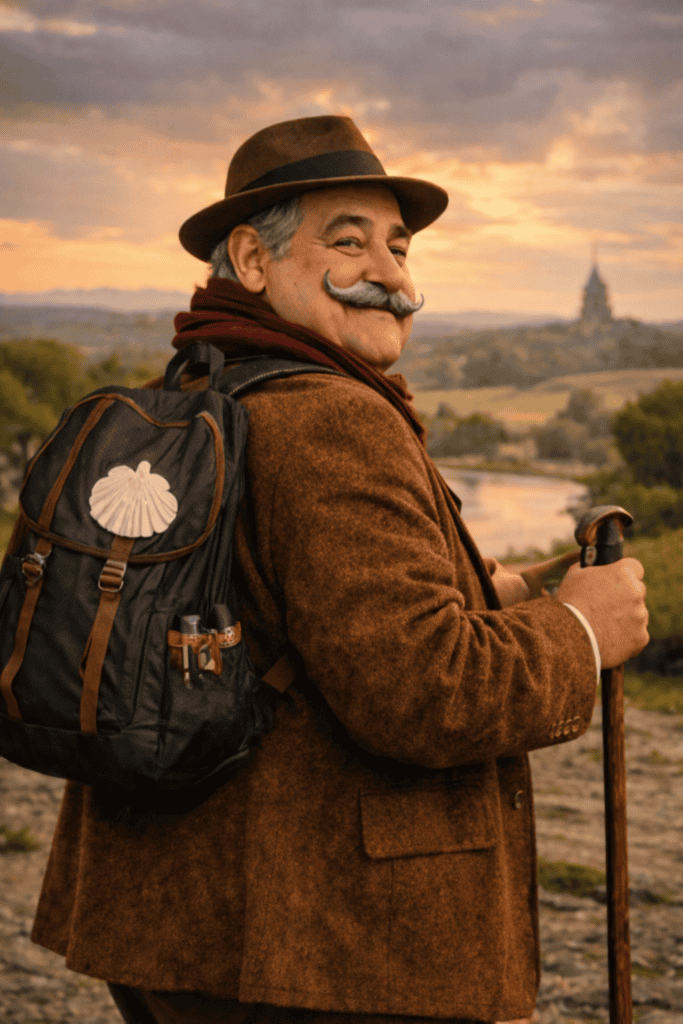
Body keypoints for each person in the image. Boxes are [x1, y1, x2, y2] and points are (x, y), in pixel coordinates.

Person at [30, 116, 649, 1024]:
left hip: (181, 921)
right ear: (251, 257)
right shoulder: (331, 420)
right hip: (321, 948)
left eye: (398, 248)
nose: (392, 276)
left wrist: (501, 594)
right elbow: (426, 694)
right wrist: (583, 631)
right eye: (347, 241)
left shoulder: (202, 387)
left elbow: (283, 609)